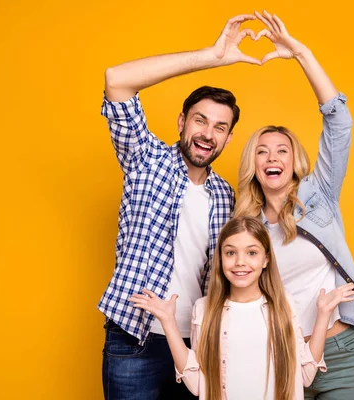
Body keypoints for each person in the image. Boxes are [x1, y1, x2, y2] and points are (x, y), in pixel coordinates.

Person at [97, 14, 263, 400]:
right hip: (134, 337)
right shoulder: (146, 159)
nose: (208, 133)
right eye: (200, 121)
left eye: (220, 127)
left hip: (198, 342)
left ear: (228, 137)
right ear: (181, 122)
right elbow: (116, 80)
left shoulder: (225, 195)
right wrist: (212, 55)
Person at [234, 11, 354, 399]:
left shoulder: (320, 196)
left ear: (294, 160)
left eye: (281, 149)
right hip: (279, 357)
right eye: (261, 152)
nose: (271, 157)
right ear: (254, 165)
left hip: (341, 352)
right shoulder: (245, 225)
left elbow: (339, 122)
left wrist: (301, 54)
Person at [129, 216, 354, 400]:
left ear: (266, 259)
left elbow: (305, 375)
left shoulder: (283, 305)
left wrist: (323, 315)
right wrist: (168, 322)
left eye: (251, 252)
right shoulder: (204, 309)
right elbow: (198, 385)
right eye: (231, 252)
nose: (240, 261)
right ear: (220, 258)